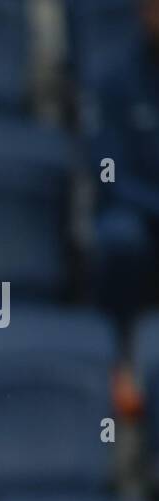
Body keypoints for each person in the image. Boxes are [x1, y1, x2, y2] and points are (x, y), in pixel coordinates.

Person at [88, 0, 159, 320]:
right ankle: (120, 345)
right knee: (121, 237)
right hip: (137, 210)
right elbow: (109, 174)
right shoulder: (117, 81)